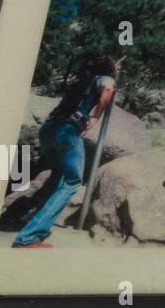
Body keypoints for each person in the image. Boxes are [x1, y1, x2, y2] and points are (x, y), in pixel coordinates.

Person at [11, 55, 120, 248]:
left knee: (60, 174)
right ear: (110, 70)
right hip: (67, 131)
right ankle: (28, 237)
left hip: (49, 130)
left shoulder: (84, 80)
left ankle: (35, 228)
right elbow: (109, 88)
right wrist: (95, 118)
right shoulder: (105, 78)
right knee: (72, 181)